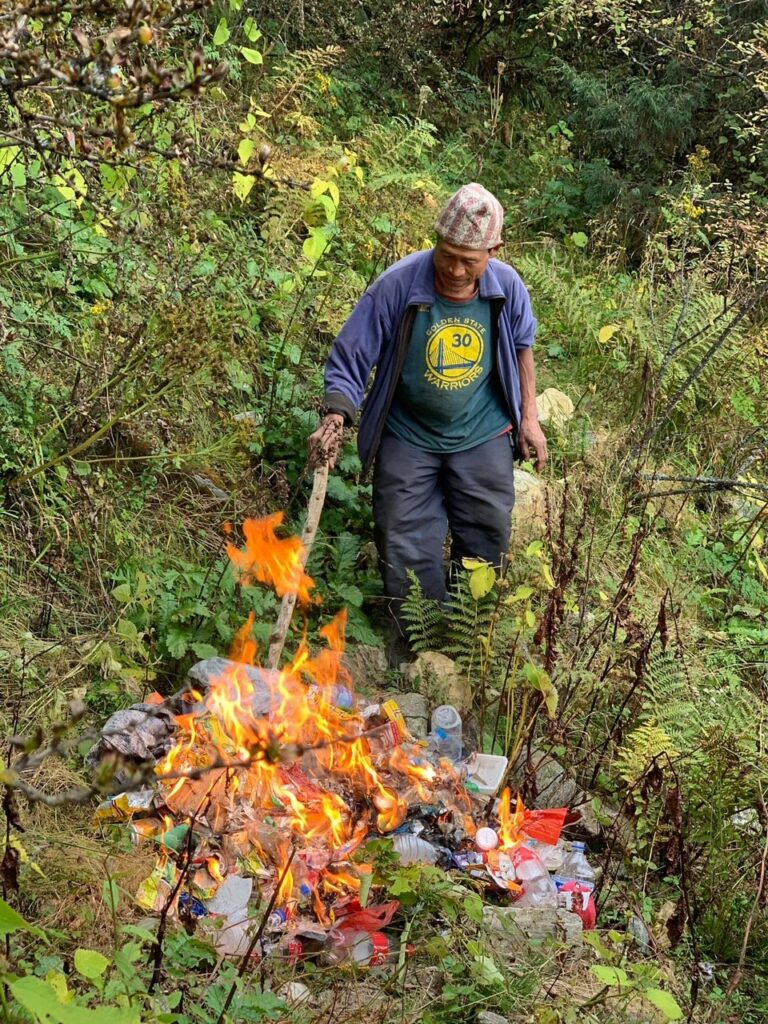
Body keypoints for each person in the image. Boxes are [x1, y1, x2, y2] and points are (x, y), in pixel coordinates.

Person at [309, 183, 548, 657]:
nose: (457, 269)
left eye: (470, 260)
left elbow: (523, 348)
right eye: (449, 255)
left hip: (482, 429)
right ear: (436, 240)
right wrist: (336, 415)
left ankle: (467, 639)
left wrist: (530, 417)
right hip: (408, 433)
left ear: (493, 252)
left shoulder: (507, 288)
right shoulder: (398, 285)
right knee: (405, 539)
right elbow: (352, 354)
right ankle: (418, 647)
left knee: (485, 535)